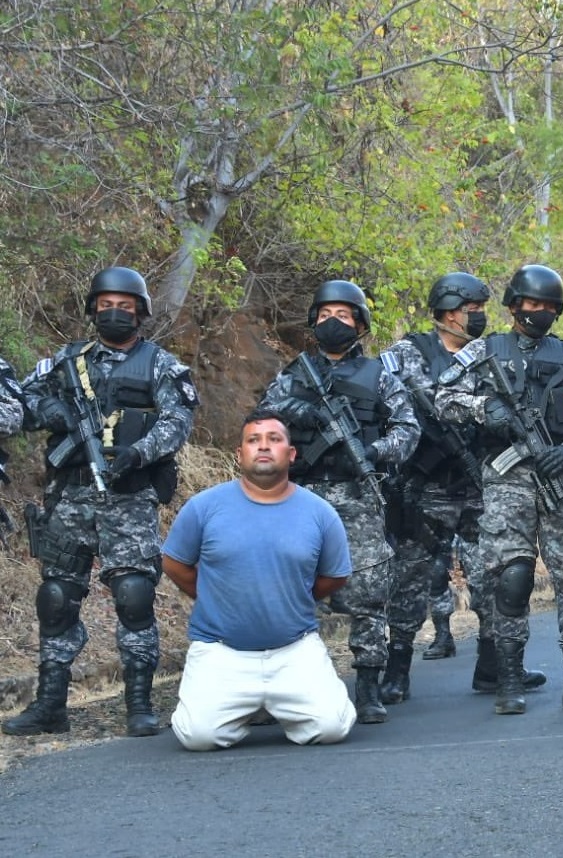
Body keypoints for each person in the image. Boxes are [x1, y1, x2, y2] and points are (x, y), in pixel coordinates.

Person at [4, 266, 198, 738]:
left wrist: (138, 452)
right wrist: (49, 410)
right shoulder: (67, 361)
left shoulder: (161, 365)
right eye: (106, 305)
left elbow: (178, 422)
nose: (115, 313)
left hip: (128, 498)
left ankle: (138, 704)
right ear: (93, 309)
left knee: (134, 595)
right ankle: (51, 705)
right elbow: (19, 405)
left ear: (141, 312)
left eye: (125, 306)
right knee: (56, 598)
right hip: (70, 497)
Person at [435, 264, 563, 715]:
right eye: (532, 304)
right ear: (514, 306)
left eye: (549, 306)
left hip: (560, 479)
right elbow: (443, 398)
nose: (540, 312)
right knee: (511, 579)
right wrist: (483, 407)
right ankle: (508, 681)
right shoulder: (482, 352)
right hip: (506, 478)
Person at [379, 272, 545, 699]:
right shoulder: (409, 352)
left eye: (481, 312)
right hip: (425, 485)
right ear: (449, 311)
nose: (479, 319)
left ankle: (495, 667)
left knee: (494, 576)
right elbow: (409, 401)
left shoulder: (489, 354)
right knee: (411, 578)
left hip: (479, 483)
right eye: (473, 311)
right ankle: (396, 672)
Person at [260, 279, 419, 724]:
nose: (334, 322)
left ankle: (368, 687)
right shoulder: (292, 376)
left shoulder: (380, 377)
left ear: (360, 324)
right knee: (288, 589)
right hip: (300, 496)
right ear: (313, 321)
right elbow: (262, 423)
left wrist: (373, 452)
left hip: (357, 495)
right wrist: (300, 413)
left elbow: (408, 430)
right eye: (326, 315)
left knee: (367, 591)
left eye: (344, 316)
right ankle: (285, 689)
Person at [162, 410, 356, 750]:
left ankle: (274, 706)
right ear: (240, 454)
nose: (263, 447)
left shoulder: (320, 512)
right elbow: (175, 563)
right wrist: (213, 596)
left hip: (294, 649)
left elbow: (334, 576)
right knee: (198, 737)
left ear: (291, 454)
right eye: (253, 440)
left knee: (332, 728)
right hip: (221, 651)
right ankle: (244, 708)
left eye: (274, 439)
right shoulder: (203, 507)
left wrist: (292, 597)